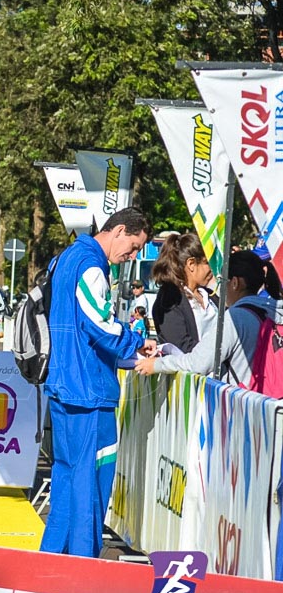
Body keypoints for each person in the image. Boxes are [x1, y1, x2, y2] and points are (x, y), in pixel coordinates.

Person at [43, 208, 156, 558]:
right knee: (89, 485)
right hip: (89, 390)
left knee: (66, 479)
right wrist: (137, 341)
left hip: (65, 384)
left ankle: (51, 560)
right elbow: (100, 325)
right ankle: (82, 563)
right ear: (119, 230)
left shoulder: (64, 259)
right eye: (134, 246)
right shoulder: (91, 265)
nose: (133, 256)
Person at [136, 250, 283, 389]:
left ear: (235, 283)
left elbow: (198, 363)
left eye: (223, 281)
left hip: (248, 403)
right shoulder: (275, 310)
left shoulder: (235, 317)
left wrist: (156, 364)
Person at [150, 233, 216, 352]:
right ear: (191, 264)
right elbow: (181, 345)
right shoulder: (169, 299)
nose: (212, 268)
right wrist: (217, 357)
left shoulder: (211, 295)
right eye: (207, 263)